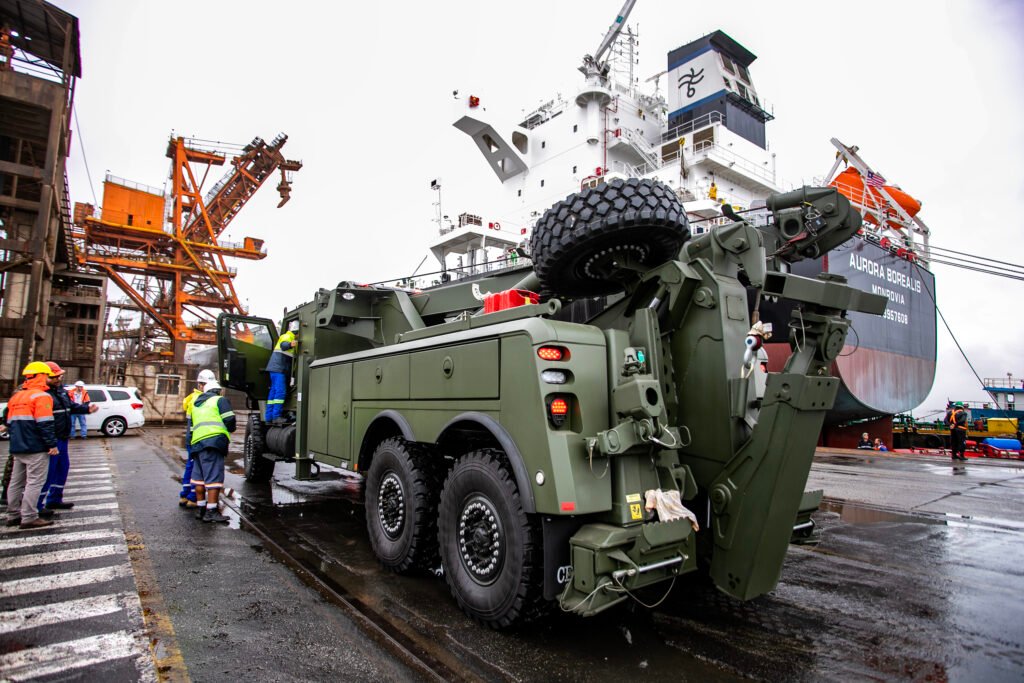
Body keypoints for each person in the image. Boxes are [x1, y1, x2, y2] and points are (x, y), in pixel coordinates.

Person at [5, 362, 59, 529]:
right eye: (47, 375)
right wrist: (51, 444)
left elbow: (9, 422)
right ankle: (29, 517)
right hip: (35, 447)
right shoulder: (42, 397)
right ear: (42, 376)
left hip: (17, 446)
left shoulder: (17, 396)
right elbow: (45, 423)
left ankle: (12, 514)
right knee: (34, 482)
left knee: (16, 482)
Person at [38, 362, 97, 511]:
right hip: (51, 439)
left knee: (62, 468)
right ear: (44, 376)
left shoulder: (61, 391)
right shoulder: (42, 394)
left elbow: (70, 407)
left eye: (59, 376)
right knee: (47, 472)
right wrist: (50, 443)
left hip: (62, 437)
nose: (59, 378)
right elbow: (42, 422)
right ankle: (37, 506)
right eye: (55, 376)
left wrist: (87, 409)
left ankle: (54, 499)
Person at [189, 380, 236, 523]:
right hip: (213, 443)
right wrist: (230, 429)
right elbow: (229, 419)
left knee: (199, 479)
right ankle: (211, 512)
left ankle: (201, 509)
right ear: (217, 391)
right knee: (213, 479)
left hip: (197, 444)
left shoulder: (196, 404)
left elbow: (191, 428)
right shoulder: (219, 400)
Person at [179, 369, 216, 507]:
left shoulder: (192, 397)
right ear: (201, 385)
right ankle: (193, 497)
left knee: (190, 465)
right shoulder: (201, 399)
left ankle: (185, 494)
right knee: (197, 469)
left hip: (191, 437)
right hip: (197, 439)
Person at [264, 323, 298, 422]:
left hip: (275, 368)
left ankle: (268, 417)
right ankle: (276, 417)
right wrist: (291, 344)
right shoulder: (287, 336)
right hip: (279, 368)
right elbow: (284, 346)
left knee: (273, 392)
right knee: (280, 391)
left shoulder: (288, 336)